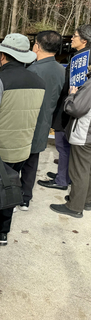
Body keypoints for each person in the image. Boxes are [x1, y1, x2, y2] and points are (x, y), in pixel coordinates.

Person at [0, 33, 45, 255]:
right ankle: (1, 231)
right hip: (23, 147)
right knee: (9, 187)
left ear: (2, 56)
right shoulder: (39, 82)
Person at [40, 24, 91, 191]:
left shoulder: (82, 60)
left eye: (75, 36)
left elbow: (72, 84)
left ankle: (62, 179)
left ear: (84, 40)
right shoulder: (81, 56)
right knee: (64, 145)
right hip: (70, 103)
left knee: (62, 144)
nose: (72, 38)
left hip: (69, 106)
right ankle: (64, 173)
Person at [17, 31, 65, 210]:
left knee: (16, 161)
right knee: (32, 161)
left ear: (37, 46)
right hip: (45, 121)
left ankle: (13, 197)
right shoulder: (62, 70)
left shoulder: (33, 69)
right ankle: (25, 198)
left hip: (26, 121)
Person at [51, 80, 91, 218]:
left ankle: (75, 206)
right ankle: (86, 201)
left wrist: (71, 95)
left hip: (85, 134)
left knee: (79, 171)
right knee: (87, 169)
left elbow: (75, 108)